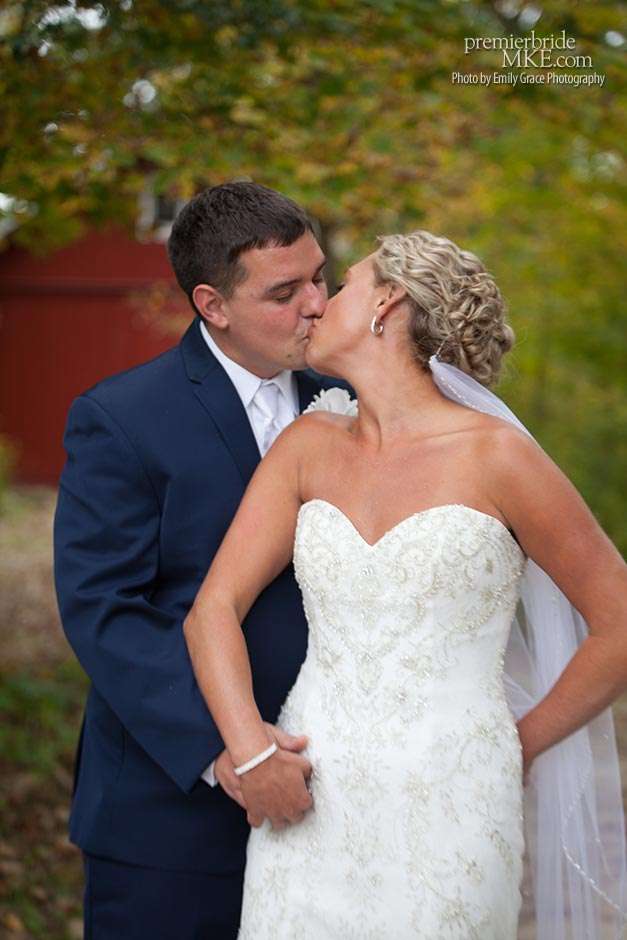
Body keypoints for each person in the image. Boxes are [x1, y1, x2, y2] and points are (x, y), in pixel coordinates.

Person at [183, 230, 627, 938]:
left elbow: (619, 620)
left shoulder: (499, 457)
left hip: (454, 802)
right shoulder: (306, 446)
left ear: (386, 302)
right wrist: (252, 750)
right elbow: (213, 609)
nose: (317, 303)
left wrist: (517, 742)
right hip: (308, 796)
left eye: (341, 284)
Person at [53, 181, 351, 939]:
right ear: (212, 304)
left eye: (319, 277)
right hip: (170, 812)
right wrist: (235, 755)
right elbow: (106, 610)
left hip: (337, 798)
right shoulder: (122, 418)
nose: (317, 305)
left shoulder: (352, 400)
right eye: (284, 292)